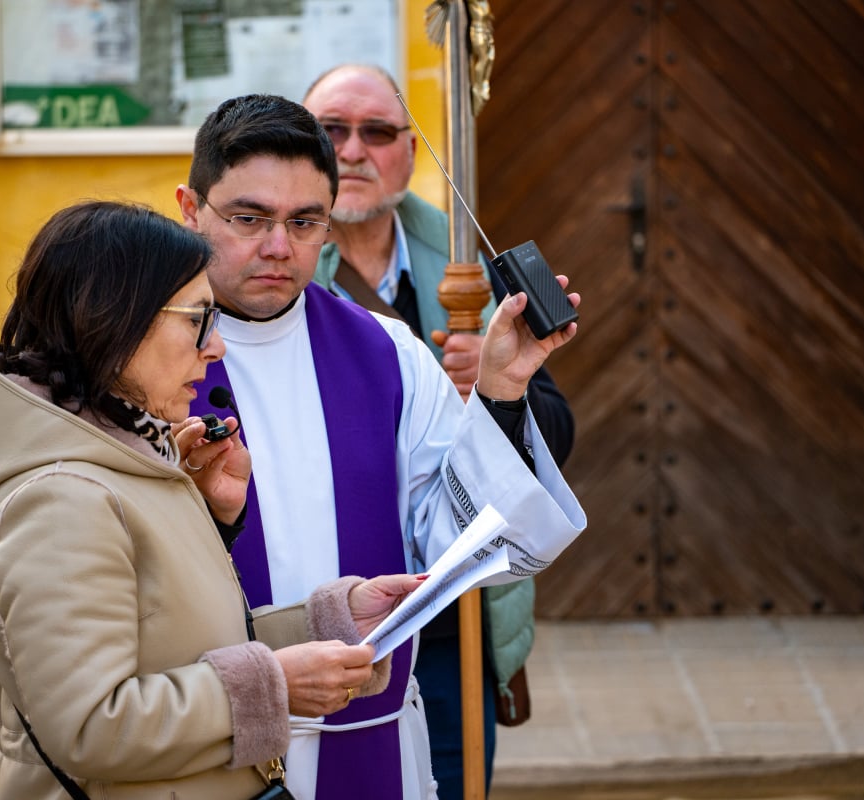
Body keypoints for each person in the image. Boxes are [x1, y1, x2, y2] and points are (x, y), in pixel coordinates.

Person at [177, 94, 587, 800]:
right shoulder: (141, 352)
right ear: (190, 208)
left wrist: (500, 392)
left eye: (305, 222)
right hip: (204, 742)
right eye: (248, 219)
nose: (278, 246)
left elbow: (455, 550)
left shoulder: (386, 352)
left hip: (368, 735)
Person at [0, 200, 425, 800]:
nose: (217, 347)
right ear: (115, 320)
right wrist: (275, 682)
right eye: (199, 318)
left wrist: (327, 621)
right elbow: (94, 728)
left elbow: (171, 643)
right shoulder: (56, 499)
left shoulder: (123, 460)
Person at [302, 63, 577, 798]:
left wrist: (494, 393)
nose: (352, 151)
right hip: (327, 613)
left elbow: (555, 433)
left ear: (410, 152)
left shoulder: (466, 268)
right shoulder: (276, 272)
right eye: (330, 131)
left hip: (451, 611)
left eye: (377, 132)